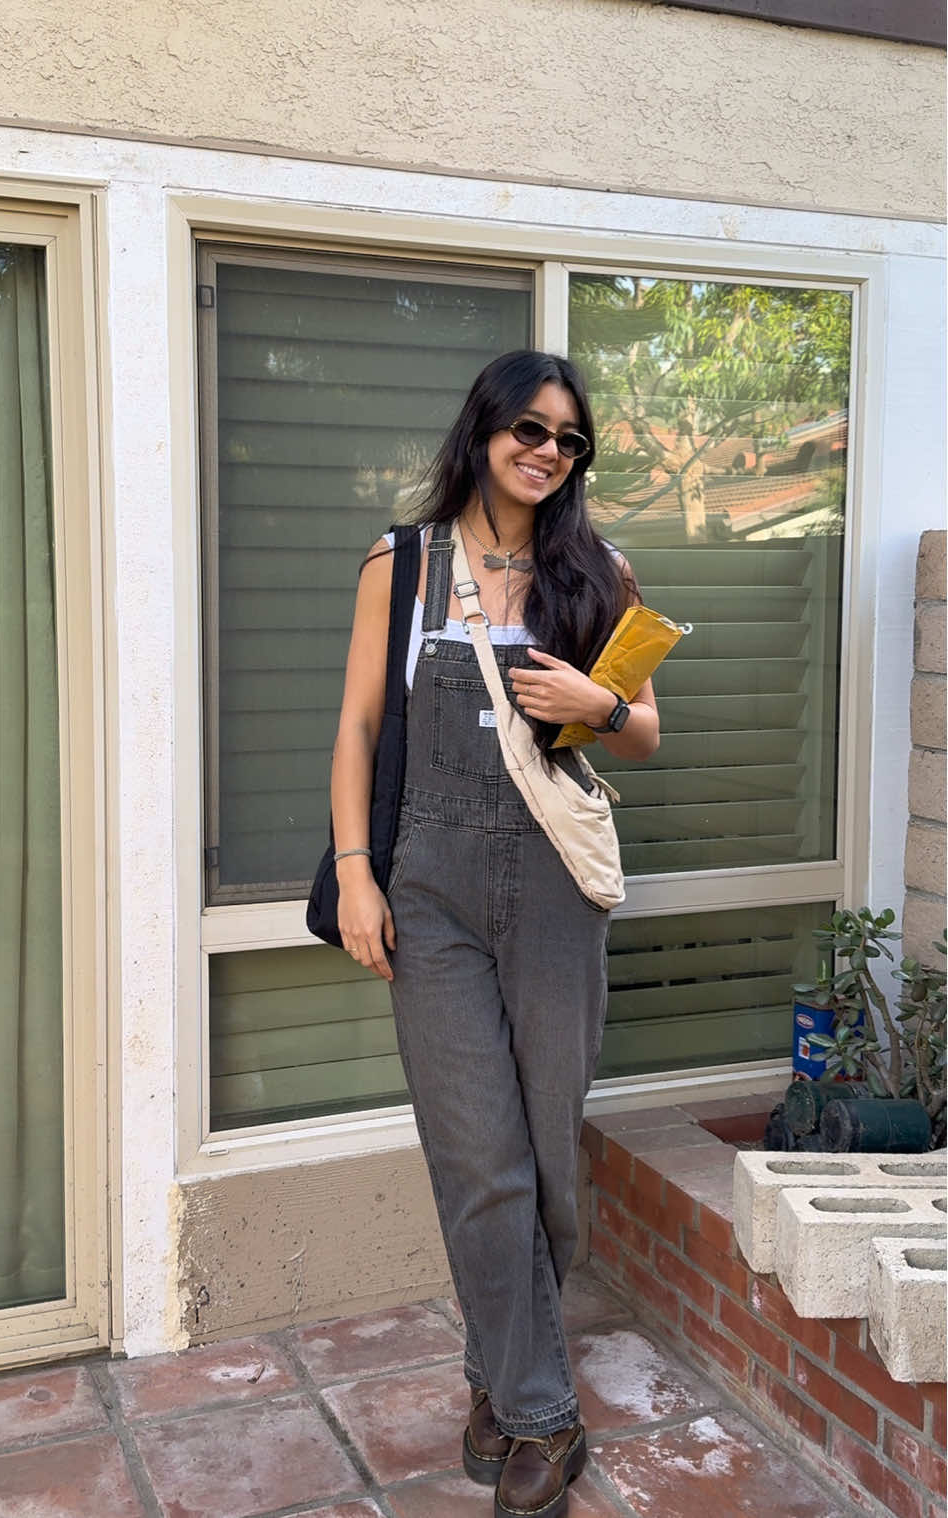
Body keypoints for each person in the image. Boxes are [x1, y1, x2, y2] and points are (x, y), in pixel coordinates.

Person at [329, 350, 659, 1518]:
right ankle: (540, 1414)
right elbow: (359, 729)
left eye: (569, 440)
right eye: (530, 427)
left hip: (556, 892)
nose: (547, 452)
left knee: (547, 1168)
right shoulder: (404, 563)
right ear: (483, 430)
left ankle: (493, 1372)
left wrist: (598, 705)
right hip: (430, 888)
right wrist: (360, 876)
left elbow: (646, 728)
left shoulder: (595, 568)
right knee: (479, 1159)